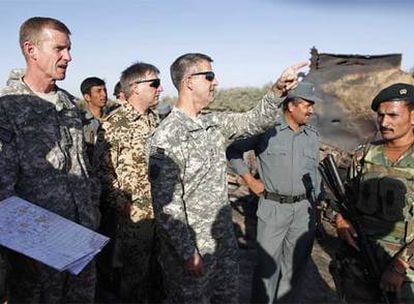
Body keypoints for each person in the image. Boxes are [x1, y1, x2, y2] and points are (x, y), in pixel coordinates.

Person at [146, 52, 308, 303]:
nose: (216, 82)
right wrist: (188, 253)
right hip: (193, 251)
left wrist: (277, 90)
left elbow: (254, 121)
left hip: (222, 244)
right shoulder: (167, 136)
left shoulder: (212, 123)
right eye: (209, 76)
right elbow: (168, 206)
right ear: (189, 81)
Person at [0, 16, 100, 303]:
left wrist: (92, 210)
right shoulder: (7, 106)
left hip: (82, 239)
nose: (68, 57)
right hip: (38, 246)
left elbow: (83, 165)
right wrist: (24, 245)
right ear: (31, 50)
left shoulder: (68, 103)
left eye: (68, 49)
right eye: (59, 49)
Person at [227, 81, 321, 303]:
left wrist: (316, 204)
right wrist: (250, 181)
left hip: (303, 209)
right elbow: (233, 151)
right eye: (307, 105)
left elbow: (314, 171)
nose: (312, 110)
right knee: (267, 269)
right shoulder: (267, 131)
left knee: (295, 269)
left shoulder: (312, 136)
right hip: (273, 208)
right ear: (291, 106)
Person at [333, 83, 414, 303]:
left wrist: (400, 266)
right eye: (380, 116)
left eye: (393, 115)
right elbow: (346, 198)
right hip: (359, 263)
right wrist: (340, 220)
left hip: (405, 274)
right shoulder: (364, 155)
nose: (384, 122)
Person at [96, 62, 163, 303]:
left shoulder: (156, 120)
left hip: (162, 212)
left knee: (158, 274)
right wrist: (122, 204)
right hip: (134, 215)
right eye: (154, 83)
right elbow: (103, 171)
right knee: (134, 277)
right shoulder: (114, 124)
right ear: (135, 88)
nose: (160, 88)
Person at [79, 76, 108, 163]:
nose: (104, 95)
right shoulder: (80, 121)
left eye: (105, 90)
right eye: (98, 91)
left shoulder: (112, 119)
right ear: (87, 97)